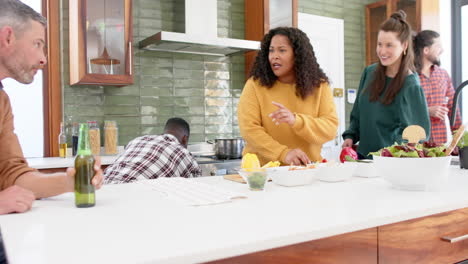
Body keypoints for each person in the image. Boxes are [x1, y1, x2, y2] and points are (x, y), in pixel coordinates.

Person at [0, 0, 103, 214]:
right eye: (37, 44)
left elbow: (12, 174)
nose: (43, 59)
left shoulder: (2, 102)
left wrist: (70, 180)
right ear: (8, 37)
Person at [237, 27, 338, 166]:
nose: (274, 56)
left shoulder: (319, 86)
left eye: (282, 50)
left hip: (306, 169)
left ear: (297, 55)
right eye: (271, 50)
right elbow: (249, 129)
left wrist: (296, 121)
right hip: (263, 173)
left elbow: (330, 129)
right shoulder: (254, 85)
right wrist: (283, 153)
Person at [342, 11, 430, 158]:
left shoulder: (411, 85)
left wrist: (395, 154)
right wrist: (350, 136)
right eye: (379, 44)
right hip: (363, 158)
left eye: (389, 45)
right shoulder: (369, 73)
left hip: (391, 164)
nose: (382, 51)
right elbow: (358, 113)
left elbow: (418, 135)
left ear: (404, 46)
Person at [104, 118, 202, 184]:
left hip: (103, 188)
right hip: (134, 195)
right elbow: (195, 185)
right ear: (185, 139)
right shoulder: (184, 154)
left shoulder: (138, 140)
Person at [413, 30, 462, 145]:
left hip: (440, 145)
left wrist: (459, 143)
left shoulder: (443, 75)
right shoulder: (410, 77)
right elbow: (402, 110)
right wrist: (426, 111)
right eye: (438, 46)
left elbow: (453, 110)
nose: (442, 50)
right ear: (426, 50)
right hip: (416, 145)